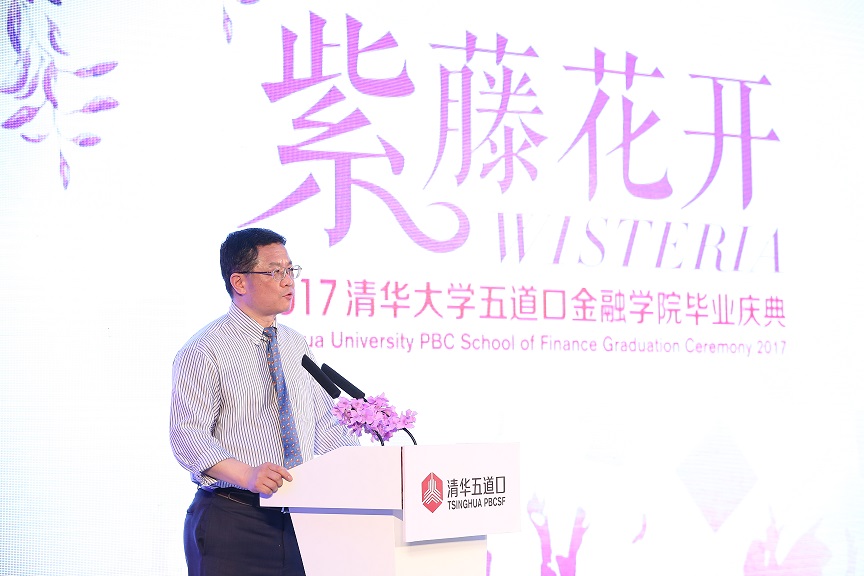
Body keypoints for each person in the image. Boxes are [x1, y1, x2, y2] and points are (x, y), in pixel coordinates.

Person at [169, 228, 359, 576]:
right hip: (234, 520)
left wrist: (366, 467)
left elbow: (323, 424)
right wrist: (248, 474)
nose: (288, 281)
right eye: (274, 272)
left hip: (302, 520)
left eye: (290, 269)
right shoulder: (204, 349)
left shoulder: (295, 343)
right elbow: (187, 436)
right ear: (239, 282)